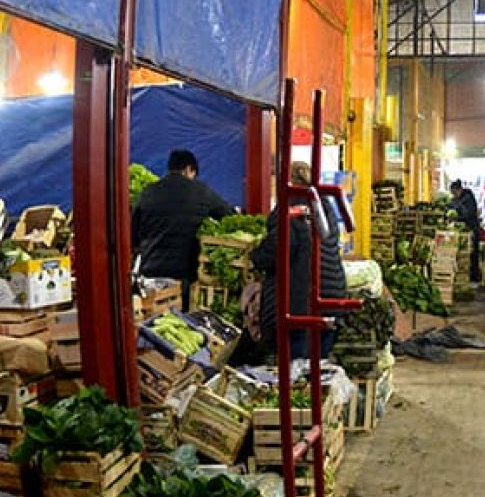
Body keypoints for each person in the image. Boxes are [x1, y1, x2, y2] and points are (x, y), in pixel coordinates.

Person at [250, 162, 346, 360]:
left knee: (297, 371)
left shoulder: (292, 207)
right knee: (318, 369)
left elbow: (276, 251)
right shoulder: (323, 206)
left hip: (301, 302)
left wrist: (255, 255)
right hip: (332, 298)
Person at [130, 149, 231, 285]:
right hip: (186, 275)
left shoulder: (148, 192)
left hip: (151, 273)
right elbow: (229, 217)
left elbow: (132, 234)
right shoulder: (201, 192)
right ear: (189, 169)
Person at [452, 180, 485, 283]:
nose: (454, 195)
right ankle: (470, 275)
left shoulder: (468, 199)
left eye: (454, 192)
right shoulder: (458, 199)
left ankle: (474, 276)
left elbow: (468, 214)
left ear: (459, 190)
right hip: (466, 228)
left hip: (472, 228)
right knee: (469, 254)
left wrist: (457, 218)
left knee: (473, 253)